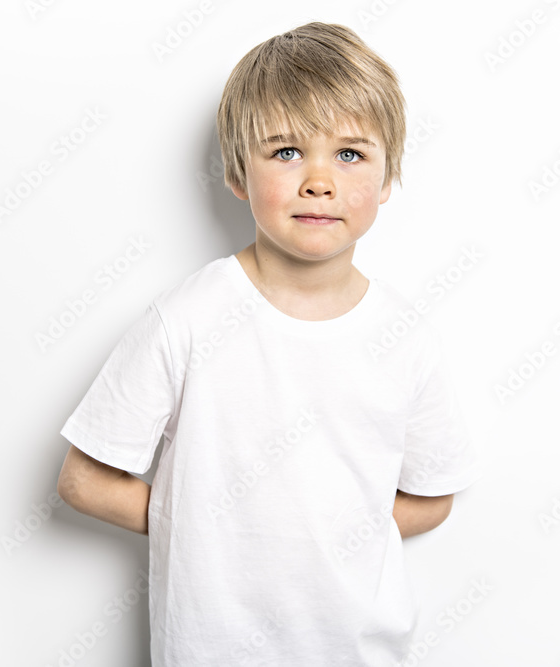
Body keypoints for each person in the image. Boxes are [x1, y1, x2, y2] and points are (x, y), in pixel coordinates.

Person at [56, 21, 481, 666]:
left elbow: (432, 496)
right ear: (236, 173)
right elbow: (84, 481)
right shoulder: (187, 319)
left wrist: (322, 539)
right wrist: (217, 529)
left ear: (388, 177)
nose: (318, 180)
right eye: (285, 151)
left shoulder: (405, 338)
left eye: (350, 153)